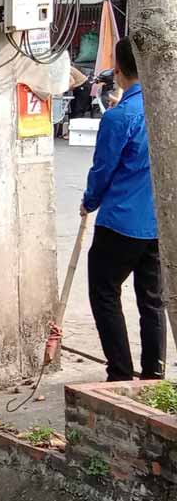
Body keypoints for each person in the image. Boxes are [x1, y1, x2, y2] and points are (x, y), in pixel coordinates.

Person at [81, 38, 165, 382]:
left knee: (103, 290)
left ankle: (119, 372)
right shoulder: (164, 110)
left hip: (121, 223)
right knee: (152, 299)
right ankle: (154, 373)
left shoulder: (120, 117)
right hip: (158, 223)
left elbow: (103, 170)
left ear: (119, 70)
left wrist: (89, 201)